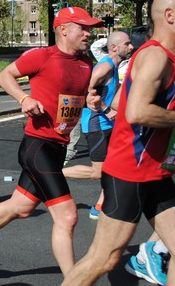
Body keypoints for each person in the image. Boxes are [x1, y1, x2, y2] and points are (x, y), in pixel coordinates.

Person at [0, 6, 104, 277]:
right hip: (37, 146)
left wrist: (91, 101)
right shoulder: (41, 56)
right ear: (63, 29)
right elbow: (4, 76)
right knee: (67, 215)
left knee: (20, 207)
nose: (88, 33)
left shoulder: (86, 63)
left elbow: (77, 97)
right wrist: (24, 99)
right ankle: (74, 282)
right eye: (83, 27)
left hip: (58, 146)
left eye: (89, 27)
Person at [62, 0, 175, 285]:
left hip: (157, 172)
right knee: (104, 258)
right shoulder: (156, 57)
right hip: (131, 173)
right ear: (170, 16)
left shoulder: (165, 58)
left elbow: (121, 104)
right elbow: (137, 112)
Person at [63, 31, 133, 219]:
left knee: (115, 167)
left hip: (108, 124)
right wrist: (105, 108)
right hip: (95, 124)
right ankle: (52, 174)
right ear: (114, 48)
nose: (131, 47)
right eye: (127, 44)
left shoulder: (115, 67)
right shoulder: (105, 67)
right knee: (98, 172)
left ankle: (99, 207)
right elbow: (86, 90)